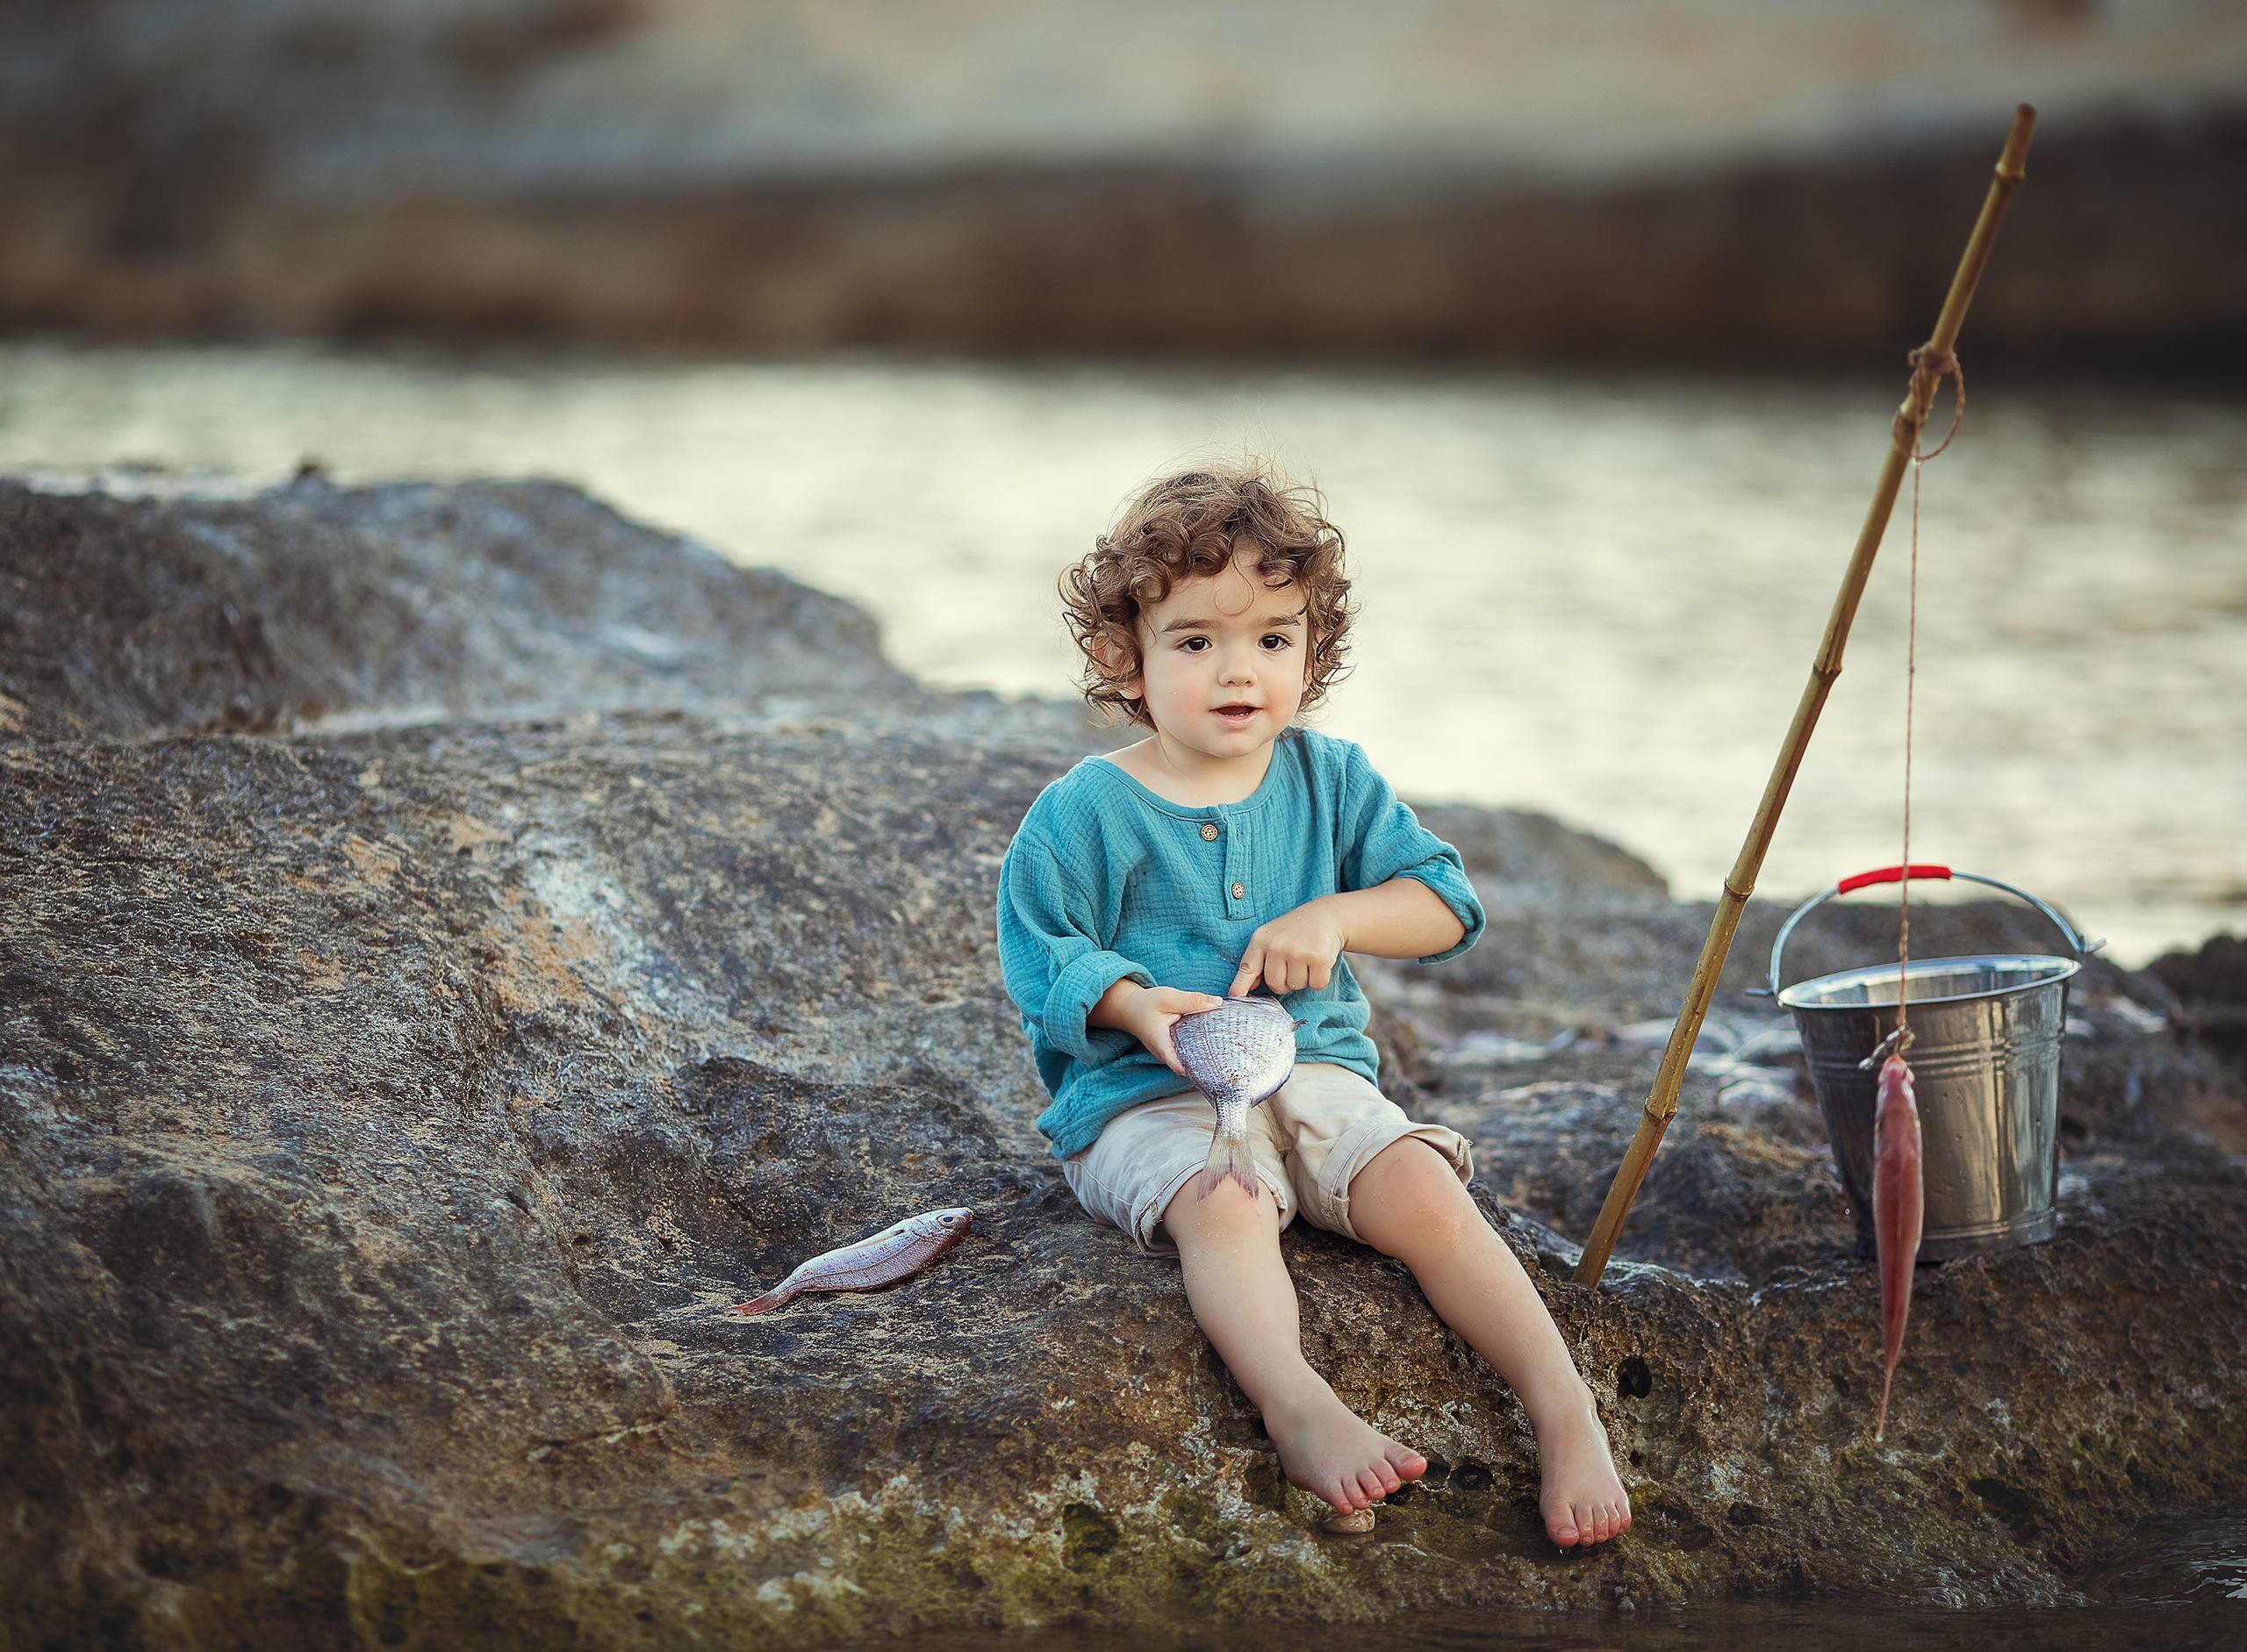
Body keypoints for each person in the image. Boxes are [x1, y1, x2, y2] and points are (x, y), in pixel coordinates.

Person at [996, 463, 1633, 1548]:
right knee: (1227, 1201)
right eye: (1195, 642)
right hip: (1147, 1096)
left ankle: (1564, 1407)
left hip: (1321, 1075)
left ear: (1312, 651)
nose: (1238, 671)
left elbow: (1443, 903)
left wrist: (1339, 917)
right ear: (1124, 657)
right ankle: (1298, 1406)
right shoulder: (1082, 811)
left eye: (1273, 640)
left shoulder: (1330, 778)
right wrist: (1139, 1009)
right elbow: (1040, 954)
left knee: (1424, 1187)